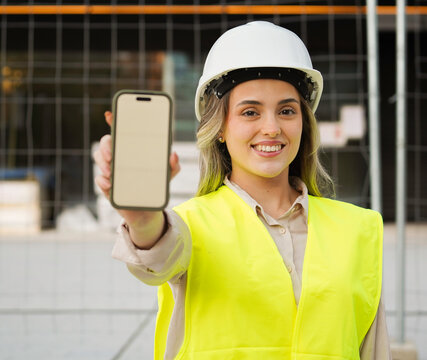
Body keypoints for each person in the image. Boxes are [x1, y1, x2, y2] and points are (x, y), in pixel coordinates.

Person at [94, 21, 391, 360]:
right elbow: (156, 258)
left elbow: (374, 350)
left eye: (287, 110)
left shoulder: (357, 230)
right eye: (250, 111)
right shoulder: (189, 227)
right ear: (220, 127)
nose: (272, 128)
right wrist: (142, 216)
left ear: (304, 122)